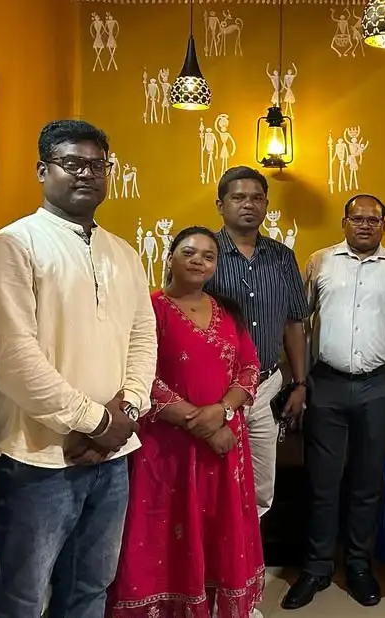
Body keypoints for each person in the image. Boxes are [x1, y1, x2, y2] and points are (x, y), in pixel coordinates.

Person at [0, 120, 157, 618]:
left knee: (91, 587)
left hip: (114, 452)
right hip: (38, 460)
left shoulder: (124, 253)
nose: (87, 175)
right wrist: (94, 421)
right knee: (22, 598)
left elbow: (143, 338)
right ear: (42, 170)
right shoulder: (10, 247)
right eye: (72, 163)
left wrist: (128, 411)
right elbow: (13, 359)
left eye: (98, 166)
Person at [108, 226, 264, 617]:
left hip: (226, 443)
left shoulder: (229, 310)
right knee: (164, 529)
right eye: (189, 252)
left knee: (219, 528)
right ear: (170, 257)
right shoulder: (150, 308)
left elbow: (248, 368)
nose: (198, 260)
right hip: (166, 447)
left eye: (208, 256)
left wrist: (223, 414)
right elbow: (140, 372)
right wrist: (198, 420)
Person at [281, 194, 385, 610]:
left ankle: (359, 565)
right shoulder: (319, 262)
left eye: (373, 220)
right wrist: (299, 383)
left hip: (378, 386)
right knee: (322, 481)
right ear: (344, 222)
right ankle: (317, 567)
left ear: (384, 225)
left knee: (367, 482)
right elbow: (299, 324)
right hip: (325, 383)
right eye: (357, 219)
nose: (365, 225)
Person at [205, 166, 308, 520]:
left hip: (266, 386)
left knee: (262, 487)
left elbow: (295, 323)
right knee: (213, 482)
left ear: (266, 205)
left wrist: (299, 383)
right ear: (221, 204)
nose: (248, 205)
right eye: (238, 197)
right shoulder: (203, 254)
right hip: (214, 391)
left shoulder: (283, 257)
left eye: (256, 198)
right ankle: (212, 572)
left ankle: (246, 567)